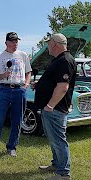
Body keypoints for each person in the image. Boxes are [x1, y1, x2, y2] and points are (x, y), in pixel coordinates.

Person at [32, 33, 75, 180]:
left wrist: (50, 106)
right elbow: (54, 82)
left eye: (48, 43)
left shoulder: (64, 61)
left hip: (55, 109)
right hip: (51, 108)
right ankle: (56, 164)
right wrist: (40, 85)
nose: (47, 46)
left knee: (58, 140)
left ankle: (63, 173)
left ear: (55, 44)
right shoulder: (59, 60)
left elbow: (63, 87)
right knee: (53, 139)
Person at [0, 32, 32, 158]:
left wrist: (26, 85)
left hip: (19, 90)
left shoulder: (23, 55)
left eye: (16, 41)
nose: (15, 44)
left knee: (17, 120)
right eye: (12, 41)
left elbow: (28, 72)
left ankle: (12, 147)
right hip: (3, 89)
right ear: (6, 43)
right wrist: (4, 75)